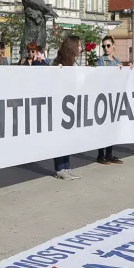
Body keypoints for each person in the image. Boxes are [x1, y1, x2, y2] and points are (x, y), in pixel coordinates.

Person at [52, 36, 83, 180]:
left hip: (70, 106)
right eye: (79, 46)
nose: (81, 49)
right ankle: (60, 168)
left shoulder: (73, 64)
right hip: (60, 107)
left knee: (68, 138)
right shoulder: (58, 64)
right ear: (72, 48)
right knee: (60, 138)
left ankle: (67, 166)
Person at [94, 36, 123, 165]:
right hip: (104, 96)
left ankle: (109, 154)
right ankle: (100, 155)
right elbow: (99, 76)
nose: (106, 48)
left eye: (108, 45)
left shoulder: (117, 60)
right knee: (103, 127)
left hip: (114, 97)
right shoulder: (101, 60)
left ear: (113, 46)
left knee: (112, 127)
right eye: (103, 46)